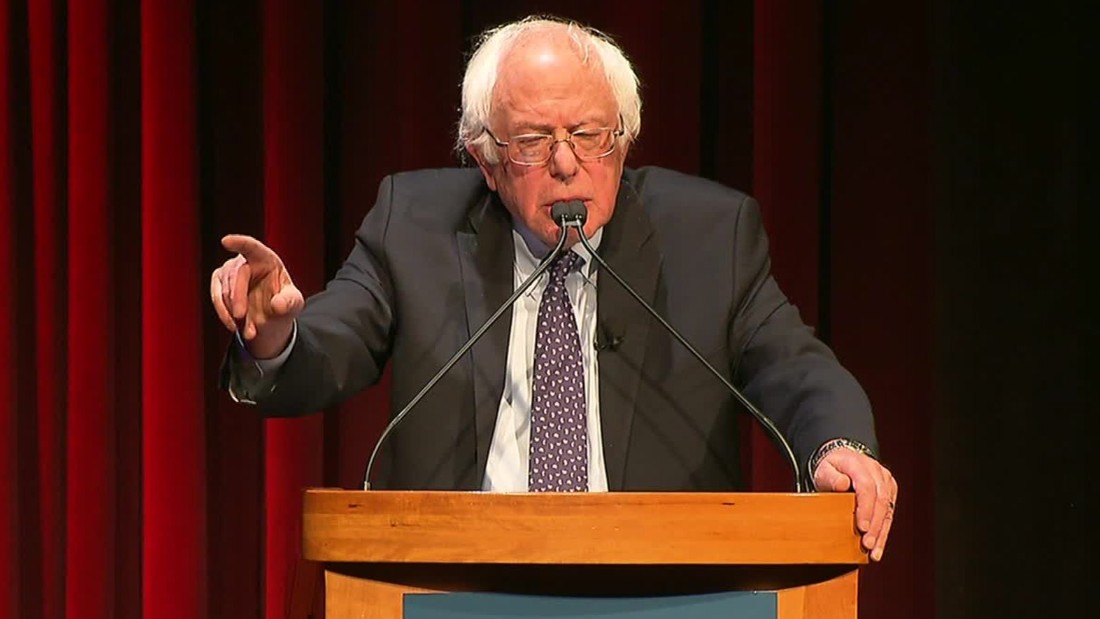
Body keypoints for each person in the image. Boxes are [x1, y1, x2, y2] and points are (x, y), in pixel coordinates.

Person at [210, 16, 897, 561]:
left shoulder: (709, 236)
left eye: (589, 135)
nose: (567, 164)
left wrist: (839, 445)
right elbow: (335, 339)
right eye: (534, 142)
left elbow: (792, 364)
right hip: (460, 584)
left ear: (623, 142)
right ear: (485, 159)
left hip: (663, 586)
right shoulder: (414, 225)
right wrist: (273, 335)